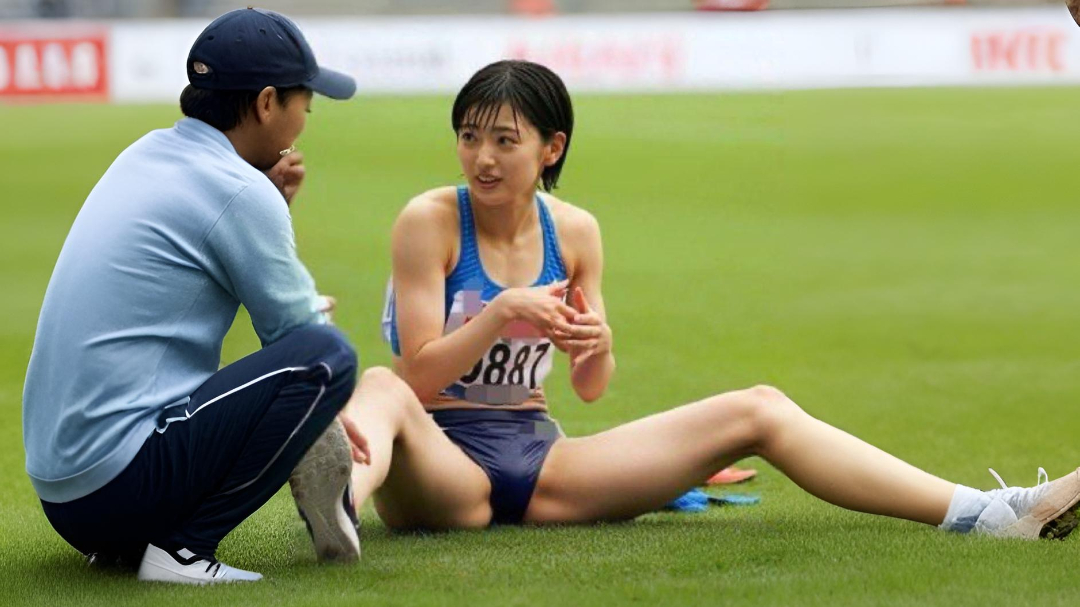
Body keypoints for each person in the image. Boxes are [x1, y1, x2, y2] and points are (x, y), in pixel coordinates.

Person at [327, 59, 1078, 545]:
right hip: (445, 464)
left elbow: (591, 389)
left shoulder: (576, 231)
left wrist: (595, 344)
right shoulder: (429, 220)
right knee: (382, 385)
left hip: (542, 457)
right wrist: (500, 313)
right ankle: (340, 502)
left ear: (549, 148)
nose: (482, 157)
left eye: (503, 140)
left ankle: (988, 514)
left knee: (760, 407)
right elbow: (418, 380)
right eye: (468, 138)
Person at [23, 8, 369, 585]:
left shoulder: (145, 153)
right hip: (119, 486)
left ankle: (137, 541)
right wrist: (324, 411)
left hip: (65, 497)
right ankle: (182, 549)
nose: (306, 116)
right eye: (303, 101)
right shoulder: (238, 190)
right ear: (265, 104)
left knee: (309, 358)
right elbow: (297, 333)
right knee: (328, 356)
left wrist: (268, 201)